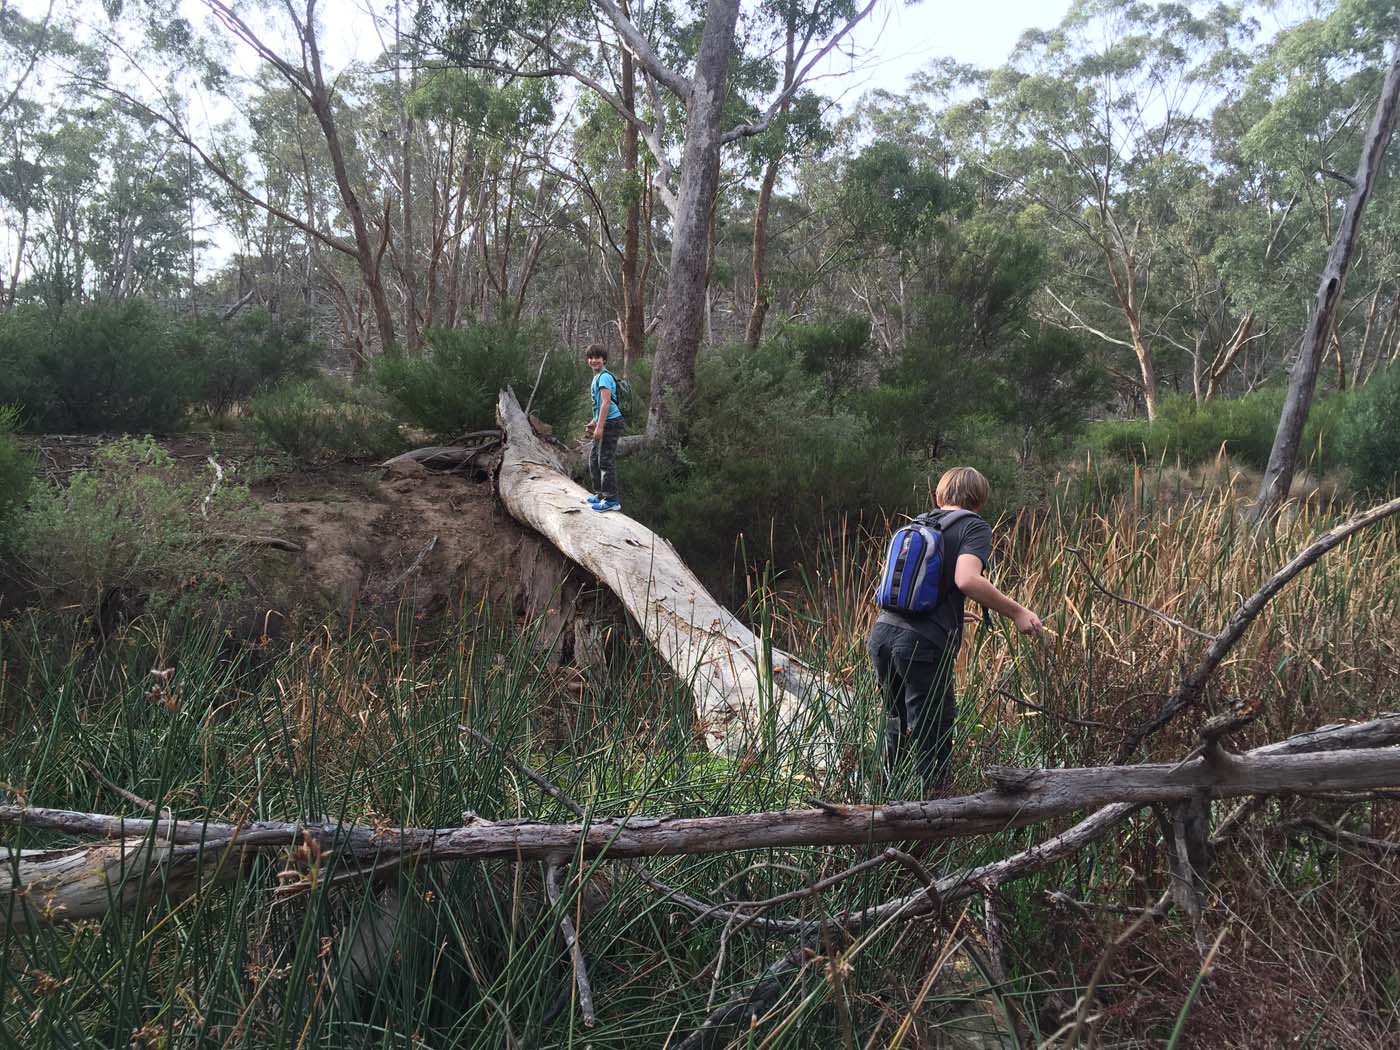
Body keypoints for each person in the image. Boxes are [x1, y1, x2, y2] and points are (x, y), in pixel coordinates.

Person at [868, 466, 1043, 794]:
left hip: (883, 635)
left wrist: (950, 612)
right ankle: (933, 811)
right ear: (979, 502)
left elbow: (914, 586)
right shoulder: (973, 526)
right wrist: (1018, 612)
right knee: (933, 731)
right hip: (921, 645)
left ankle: (882, 801)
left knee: (895, 723)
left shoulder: (920, 522)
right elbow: (966, 579)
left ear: (938, 497)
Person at [583, 344, 624, 513]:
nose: (594, 360)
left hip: (611, 423)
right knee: (594, 458)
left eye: (597, 357)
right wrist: (594, 422)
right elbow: (599, 404)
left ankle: (611, 499)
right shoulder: (597, 377)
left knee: (605, 460)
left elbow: (607, 403)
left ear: (604, 359)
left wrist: (599, 427)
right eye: (591, 357)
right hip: (603, 422)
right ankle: (600, 493)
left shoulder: (605, 377)